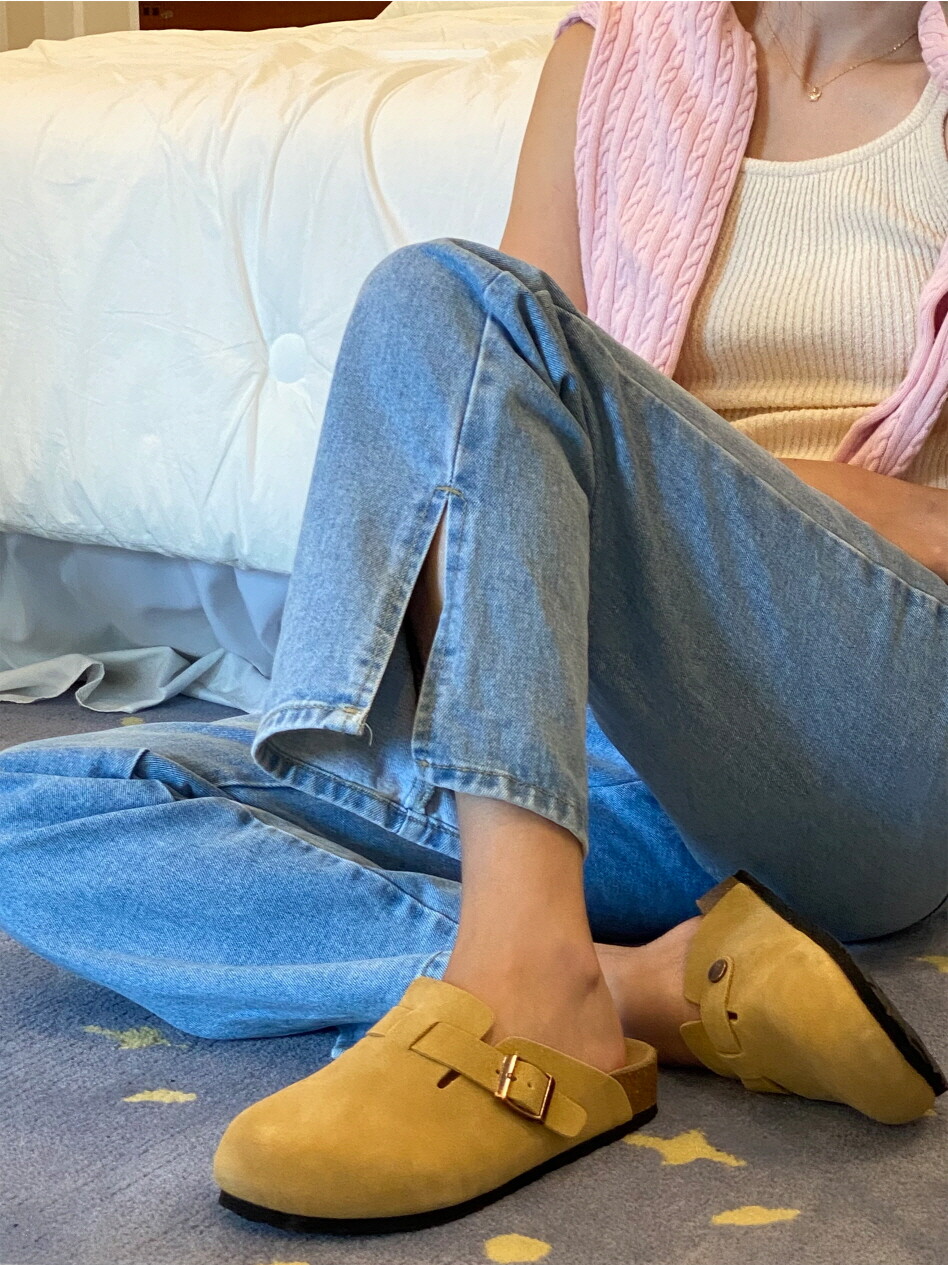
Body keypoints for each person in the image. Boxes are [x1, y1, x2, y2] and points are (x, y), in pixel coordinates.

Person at [1, 0, 947, 1237]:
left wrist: (669, 485)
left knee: (449, 294)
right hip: (592, 739)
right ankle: (633, 983)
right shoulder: (615, 54)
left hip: (862, 733)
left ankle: (528, 983)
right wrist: (567, 529)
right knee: (30, 812)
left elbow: (524, 373)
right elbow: (488, 413)